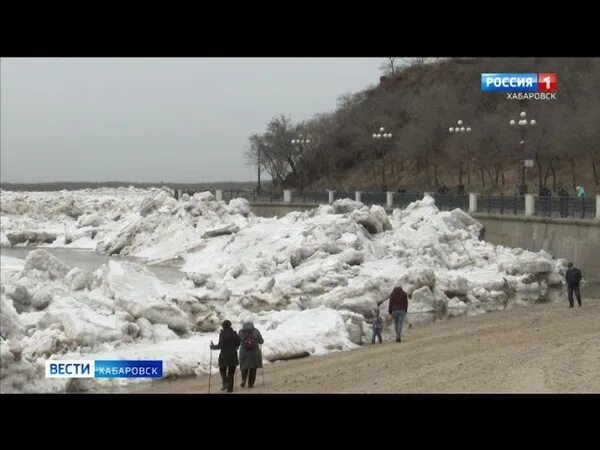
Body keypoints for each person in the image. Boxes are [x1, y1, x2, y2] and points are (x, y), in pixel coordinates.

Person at [210, 320, 241, 392]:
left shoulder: (222, 334)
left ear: (223, 326)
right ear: (230, 325)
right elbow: (239, 342)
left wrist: (212, 347)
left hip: (224, 355)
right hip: (233, 355)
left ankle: (226, 382)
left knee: (222, 369)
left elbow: (220, 345)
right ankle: (230, 389)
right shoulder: (234, 333)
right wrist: (235, 347)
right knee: (231, 373)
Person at [238, 322, 264, 388]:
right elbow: (261, 341)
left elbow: (237, 342)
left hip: (244, 352)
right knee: (253, 368)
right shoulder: (256, 331)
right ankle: (250, 383)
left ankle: (244, 379)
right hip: (254, 352)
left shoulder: (241, 332)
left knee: (244, 367)